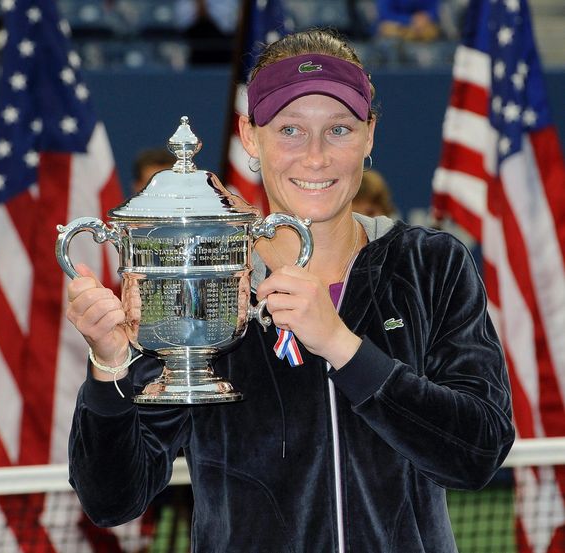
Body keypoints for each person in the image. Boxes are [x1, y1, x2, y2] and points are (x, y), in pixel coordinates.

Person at [65, 28, 514, 551]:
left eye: (340, 130)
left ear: (370, 135)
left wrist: (341, 345)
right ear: (250, 137)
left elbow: (477, 453)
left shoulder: (429, 265)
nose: (317, 157)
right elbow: (112, 499)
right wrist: (108, 370)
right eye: (290, 130)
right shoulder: (204, 277)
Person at [375, 0, 441, 42]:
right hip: (397, 27)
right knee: (387, 28)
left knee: (431, 30)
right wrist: (410, 19)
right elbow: (385, 14)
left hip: (422, 27)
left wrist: (426, 16)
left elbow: (434, 9)